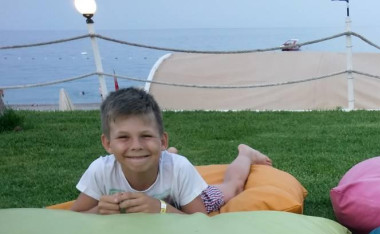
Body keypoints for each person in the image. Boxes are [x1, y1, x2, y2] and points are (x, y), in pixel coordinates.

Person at [70, 87, 271, 215]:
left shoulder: (179, 169)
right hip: (164, 166)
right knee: (157, 160)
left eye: (146, 136)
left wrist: (161, 208)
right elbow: (74, 218)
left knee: (233, 187)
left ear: (162, 140)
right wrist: (98, 211)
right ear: (107, 144)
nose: (136, 145)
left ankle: (245, 154)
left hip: (180, 200)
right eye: (123, 137)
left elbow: (199, 221)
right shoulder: (101, 171)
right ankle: (166, 154)